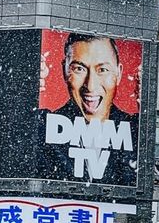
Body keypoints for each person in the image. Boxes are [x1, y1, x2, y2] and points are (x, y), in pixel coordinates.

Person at [40, 33, 139, 184]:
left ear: (118, 73)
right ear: (65, 71)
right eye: (79, 69)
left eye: (102, 70)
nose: (91, 85)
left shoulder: (136, 130)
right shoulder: (43, 127)